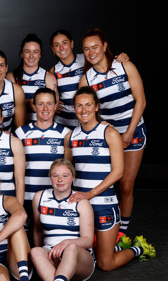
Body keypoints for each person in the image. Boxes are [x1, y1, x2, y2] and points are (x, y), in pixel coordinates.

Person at [64, 87, 154, 271]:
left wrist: (90, 194)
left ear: (97, 106)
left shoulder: (110, 133)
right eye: (79, 106)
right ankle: (115, 245)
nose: (84, 110)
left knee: (106, 264)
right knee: (82, 257)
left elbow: (118, 172)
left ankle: (138, 248)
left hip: (104, 204)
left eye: (88, 105)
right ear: (74, 109)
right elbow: (66, 170)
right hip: (81, 205)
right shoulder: (71, 136)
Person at [79, 28, 146, 237]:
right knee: (108, 184)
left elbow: (141, 101)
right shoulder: (87, 80)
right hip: (109, 136)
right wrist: (108, 131)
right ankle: (106, 229)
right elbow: (88, 111)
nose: (91, 52)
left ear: (105, 46)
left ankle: (122, 234)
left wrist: (128, 132)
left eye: (95, 47)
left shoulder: (124, 65)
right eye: (87, 49)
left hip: (132, 130)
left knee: (126, 185)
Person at [31, 159, 95, 281]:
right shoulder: (40, 197)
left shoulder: (81, 202)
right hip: (53, 255)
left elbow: (88, 241)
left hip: (80, 259)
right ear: (50, 177)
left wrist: (66, 243)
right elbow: (37, 229)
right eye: (55, 175)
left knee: (71, 247)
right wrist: (41, 254)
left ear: (73, 178)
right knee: (35, 251)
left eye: (65, 175)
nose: (60, 180)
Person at [14, 88, 70, 238]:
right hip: (25, 197)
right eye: (41, 104)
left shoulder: (66, 133)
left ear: (55, 105)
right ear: (33, 106)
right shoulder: (20, 133)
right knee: (24, 243)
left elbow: (69, 169)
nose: (45, 108)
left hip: (51, 199)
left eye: (49, 104)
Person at [49, 29, 129, 129]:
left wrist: (122, 57)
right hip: (65, 122)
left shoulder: (87, 58)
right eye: (56, 45)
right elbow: (50, 96)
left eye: (65, 43)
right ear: (53, 49)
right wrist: (53, 104)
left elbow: (105, 63)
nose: (61, 48)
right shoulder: (54, 71)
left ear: (72, 43)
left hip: (89, 118)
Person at [7, 33, 58, 123]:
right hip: (17, 128)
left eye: (35, 52)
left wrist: (21, 102)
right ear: (22, 54)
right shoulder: (11, 77)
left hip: (41, 128)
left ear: (40, 54)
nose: (31, 56)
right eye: (27, 51)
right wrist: (39, 102)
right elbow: (7, 106)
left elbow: (53, 106)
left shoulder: (49, 78)